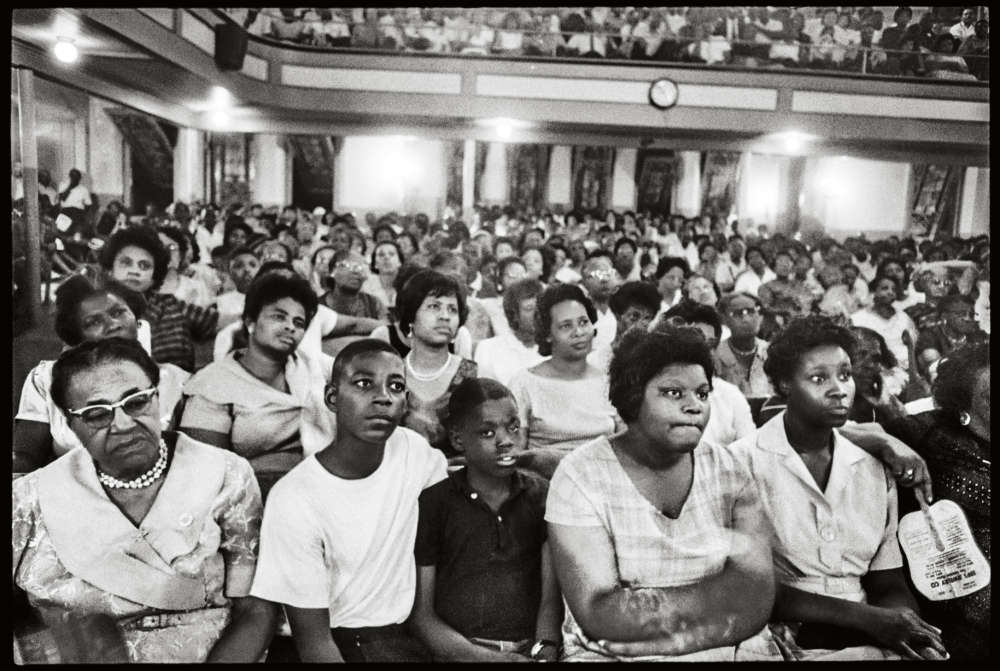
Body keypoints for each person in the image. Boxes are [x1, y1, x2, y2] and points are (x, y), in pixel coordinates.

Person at [12, 338, 276, 662]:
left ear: (157, 398)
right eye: (96, 414)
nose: (122, 424)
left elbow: (255, 607)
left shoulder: (227, 475)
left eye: (136, 402)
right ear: (71, 424)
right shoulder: (29, 499)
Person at [546, 328, 782, 661]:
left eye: (702, 393)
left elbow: (757, 598)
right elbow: (601, 613)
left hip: (726, 645)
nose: (693, 407)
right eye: (673, 393)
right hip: (617, 654)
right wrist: (725, 594)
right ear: (632, 397)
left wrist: (682, 643)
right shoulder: (580, 476)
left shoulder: (731, 469)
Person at [727, 316, 947, 660]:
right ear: (784, 384)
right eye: (818, 378)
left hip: (865, 633)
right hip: (778, 635)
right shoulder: (741, 463)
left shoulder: (873, 466)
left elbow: (886, 582)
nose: (839, 388)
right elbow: (755, 589)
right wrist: (872, 620)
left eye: (845, 375)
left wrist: (907, 628)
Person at [249, 339, 447, 662]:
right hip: (336, 646)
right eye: (363, 384)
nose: (383, 397)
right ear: (332, 398)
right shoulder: (295, 498)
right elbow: (314, 643)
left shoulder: (413, 451)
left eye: (395, 386)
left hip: (402, 642)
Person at [411, 378, 561, 662]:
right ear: (457, 439)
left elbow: (549, 601)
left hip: (530, 652)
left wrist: (545, 650)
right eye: (487, 432)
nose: (505, 440)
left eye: (513, 427)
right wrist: (486, 659)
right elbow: (422, 617)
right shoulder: (435, 503)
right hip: (458, 654)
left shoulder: (541, 497)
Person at [180, 272, 335, 500]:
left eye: (298, 322)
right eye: (279, 317)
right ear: (250, 322)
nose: (290, 327)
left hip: (322, 486)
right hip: (248, 498)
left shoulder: (313, 366)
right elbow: (205, 471)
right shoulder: (213, 385)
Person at [14, 275, 188, 474]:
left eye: (119, 312)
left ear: (136, 317)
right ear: (77, 335)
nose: (113, 324)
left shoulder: (176, 380)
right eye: (93, 322)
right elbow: (26, 456)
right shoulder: (47, 378)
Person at [883, 342, 989, 659]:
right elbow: (835, 434)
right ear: (963, 404)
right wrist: (880, 439)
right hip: (955, 598)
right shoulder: (930, 433)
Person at [507, 284, 620, 480]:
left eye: (584, 322)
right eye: (566, 326)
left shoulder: (610, 380)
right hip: (545, 486)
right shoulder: (524, 383)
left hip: (606, 481)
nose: (578, 332)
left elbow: (627, 448)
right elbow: (516, 455)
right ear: (548, 334)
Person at [101, 227, 218, 371]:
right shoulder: (93, 313)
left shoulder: (170, 305)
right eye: (126, 262)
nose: (135, 271)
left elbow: (219, 323)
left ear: (153, 277)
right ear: (110, 271)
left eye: (144, 266)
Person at [395, 269, 478, 456]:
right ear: (410, 317)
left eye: (452, 309)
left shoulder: (473, 377)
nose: (445, 316)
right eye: (434, 306)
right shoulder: (388, 376)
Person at [657, 302, 755, 449]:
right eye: (697, 344)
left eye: (711, 345)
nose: (706, 353)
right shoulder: (652, 394)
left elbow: (749, 453)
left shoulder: (729, 395)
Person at [474, 278, 545, 386]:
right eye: (529, 309)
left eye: (541, 308)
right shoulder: (488, 349)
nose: (537, 314)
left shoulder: (556, 350)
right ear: (514, 315)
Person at [850, 275, 918, 374]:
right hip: (880, 370)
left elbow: (914, 343)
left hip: (911, 367)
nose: (890, 292)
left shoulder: (903, 317)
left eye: (894, 290)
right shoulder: (858, 319)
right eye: (884, 288)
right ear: (873, 292)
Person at [588, 280, 659, 374]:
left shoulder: (652, 362)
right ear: (618, 316)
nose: (641, 325)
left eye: (647, 318)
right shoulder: (595, 361)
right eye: (634, 316)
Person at [914, 293, 987, 380]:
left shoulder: (978, 335)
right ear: (944, 316)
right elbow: (936, 371)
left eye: (971, 314)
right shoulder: (929, 337)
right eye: (961, 314)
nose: (968, 318)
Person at [715, 292, 772, 400]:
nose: (746, 319)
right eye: (737, 313)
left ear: (760, 316)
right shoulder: (715, 357)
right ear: (725, 319)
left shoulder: (772, 352)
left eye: (751, 312)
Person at [320, 250, 386, 321]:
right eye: (346, 266)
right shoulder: (318, 306)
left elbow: (388, 327)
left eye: (360, 268)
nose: (355, 271)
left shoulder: (373, 303)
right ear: (332, 271)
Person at [579, 252, 620, 355]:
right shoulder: (579, 312)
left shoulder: (623, 310)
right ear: (585, 281)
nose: (603, 280)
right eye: (596, 275)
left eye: (607, 274)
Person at [215, 246, 261, 332]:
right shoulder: (220, 302)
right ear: (229, 272)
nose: (247, 269)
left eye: (253, 265)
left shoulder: (270, 300)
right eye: (239, 266)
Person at [361, 239, 404, 313]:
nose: (386, 257)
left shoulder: (409, 283)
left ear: (400, 262)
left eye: (391, 254)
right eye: (381, 255)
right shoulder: (365, 286)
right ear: (375, 264)